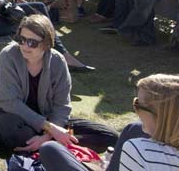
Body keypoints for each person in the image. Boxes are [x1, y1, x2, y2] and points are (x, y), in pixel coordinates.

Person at [0, 15, 118, 154]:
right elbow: (9, 102)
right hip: (18, 118)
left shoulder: (57, 61)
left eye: (32, 42)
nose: (25, 46)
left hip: (49, 119)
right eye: (21, 40)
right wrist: (50, 128)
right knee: (8, 128)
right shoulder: (8, 56)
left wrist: (47, 136)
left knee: (110, 137)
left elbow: (62, 105)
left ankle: (46, 146)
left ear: (46, 44)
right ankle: (56, 147)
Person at [39, 73, 179, 171]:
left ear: (159, 114)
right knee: (133, 128)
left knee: (50, 149)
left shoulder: (138, 149)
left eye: (138, 104)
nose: (135, 110)